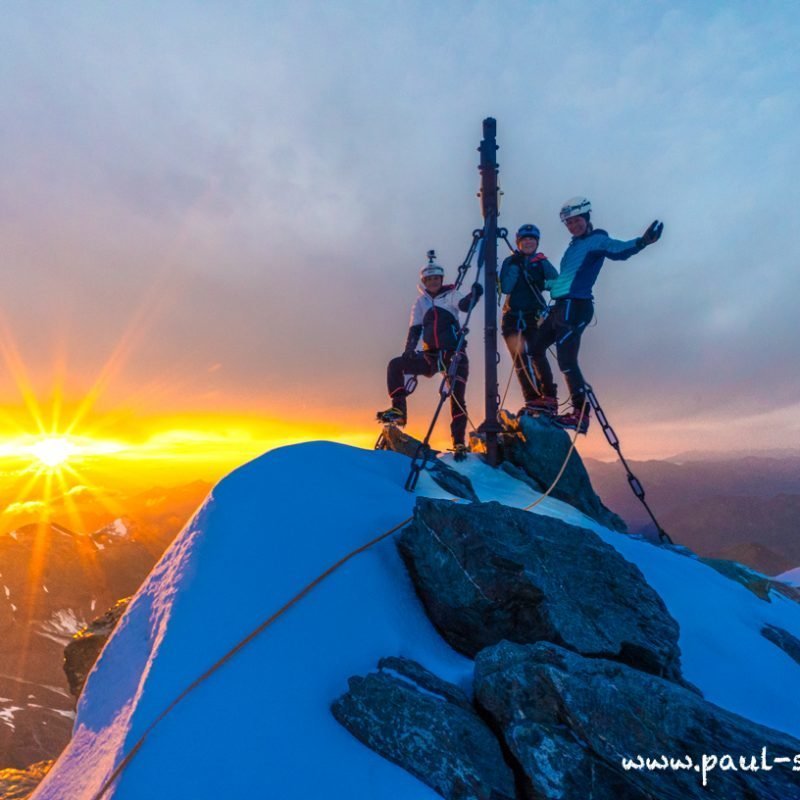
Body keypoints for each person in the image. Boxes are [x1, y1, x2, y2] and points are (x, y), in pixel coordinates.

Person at [530, 196, 663, 433]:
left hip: (576, 306)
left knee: (566, 360)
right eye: (569, 223)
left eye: (576, 220)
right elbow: (565, 279)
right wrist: (542, 281)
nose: (573, 226)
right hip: (561, 306)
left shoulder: (596, 240)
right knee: (535, 347)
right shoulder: (573, 247)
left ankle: (580, 414)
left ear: (587, 218)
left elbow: (618, 250)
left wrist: (641, 242)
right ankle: (549, 399)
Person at [378, 257, 483, 459]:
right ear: (424, 282)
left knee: (457, 396)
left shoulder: (450, 295)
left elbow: (463, 305)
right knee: (396, 365)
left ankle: (459, 442)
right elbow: (415, 328)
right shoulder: (421, 302)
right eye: (429, 279)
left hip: (454, 354)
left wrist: (474, 295)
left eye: (436, 278)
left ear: (441, 279)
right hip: (431, 357)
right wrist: (409, 349)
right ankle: (399, 410)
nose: (433, 282)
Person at [500, 223, 558, 415]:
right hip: (512, 317)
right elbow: (506, 287)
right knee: (520, 358)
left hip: (532, 317)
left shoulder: (541, 262)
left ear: (537, 242)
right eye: (525, 240)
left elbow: (556, 284)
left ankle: (548, 396)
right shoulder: (510, 262)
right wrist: (517, 267)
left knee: (536, 353)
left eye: (532, 239)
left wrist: (541, 276)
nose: (528, 242)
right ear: (518, 242)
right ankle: (532, 399)